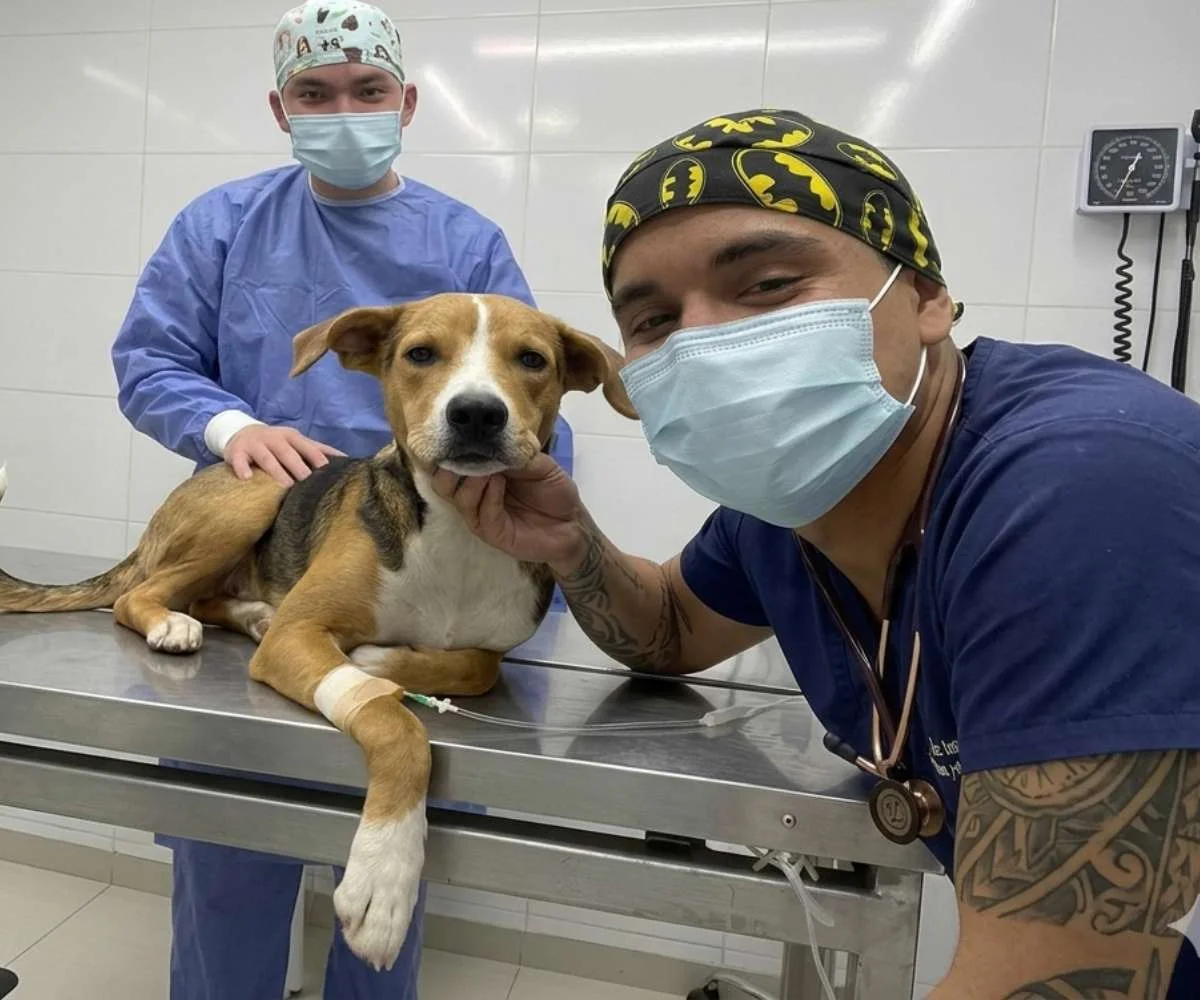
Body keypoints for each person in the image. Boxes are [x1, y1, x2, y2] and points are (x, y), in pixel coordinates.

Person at [436, 108, 1200, 998]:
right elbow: (670, 627)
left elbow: (1056, 978)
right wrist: (570, 544)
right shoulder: (792, 507)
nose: (705, 341)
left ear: (924, 299)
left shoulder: (1081, 483)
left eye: (765, 286)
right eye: (652, 320)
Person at [111, 3, 570, 997]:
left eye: (367, 91)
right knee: (229, 854)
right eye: (314, 94)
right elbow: (149, 361)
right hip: (275, 543)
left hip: (429, 562)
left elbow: (530, 403)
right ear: (282, 109)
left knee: (386, 880)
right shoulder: (222, 226)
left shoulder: (465, 239)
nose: (343, 111)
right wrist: (236, 429)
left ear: (406, 101)